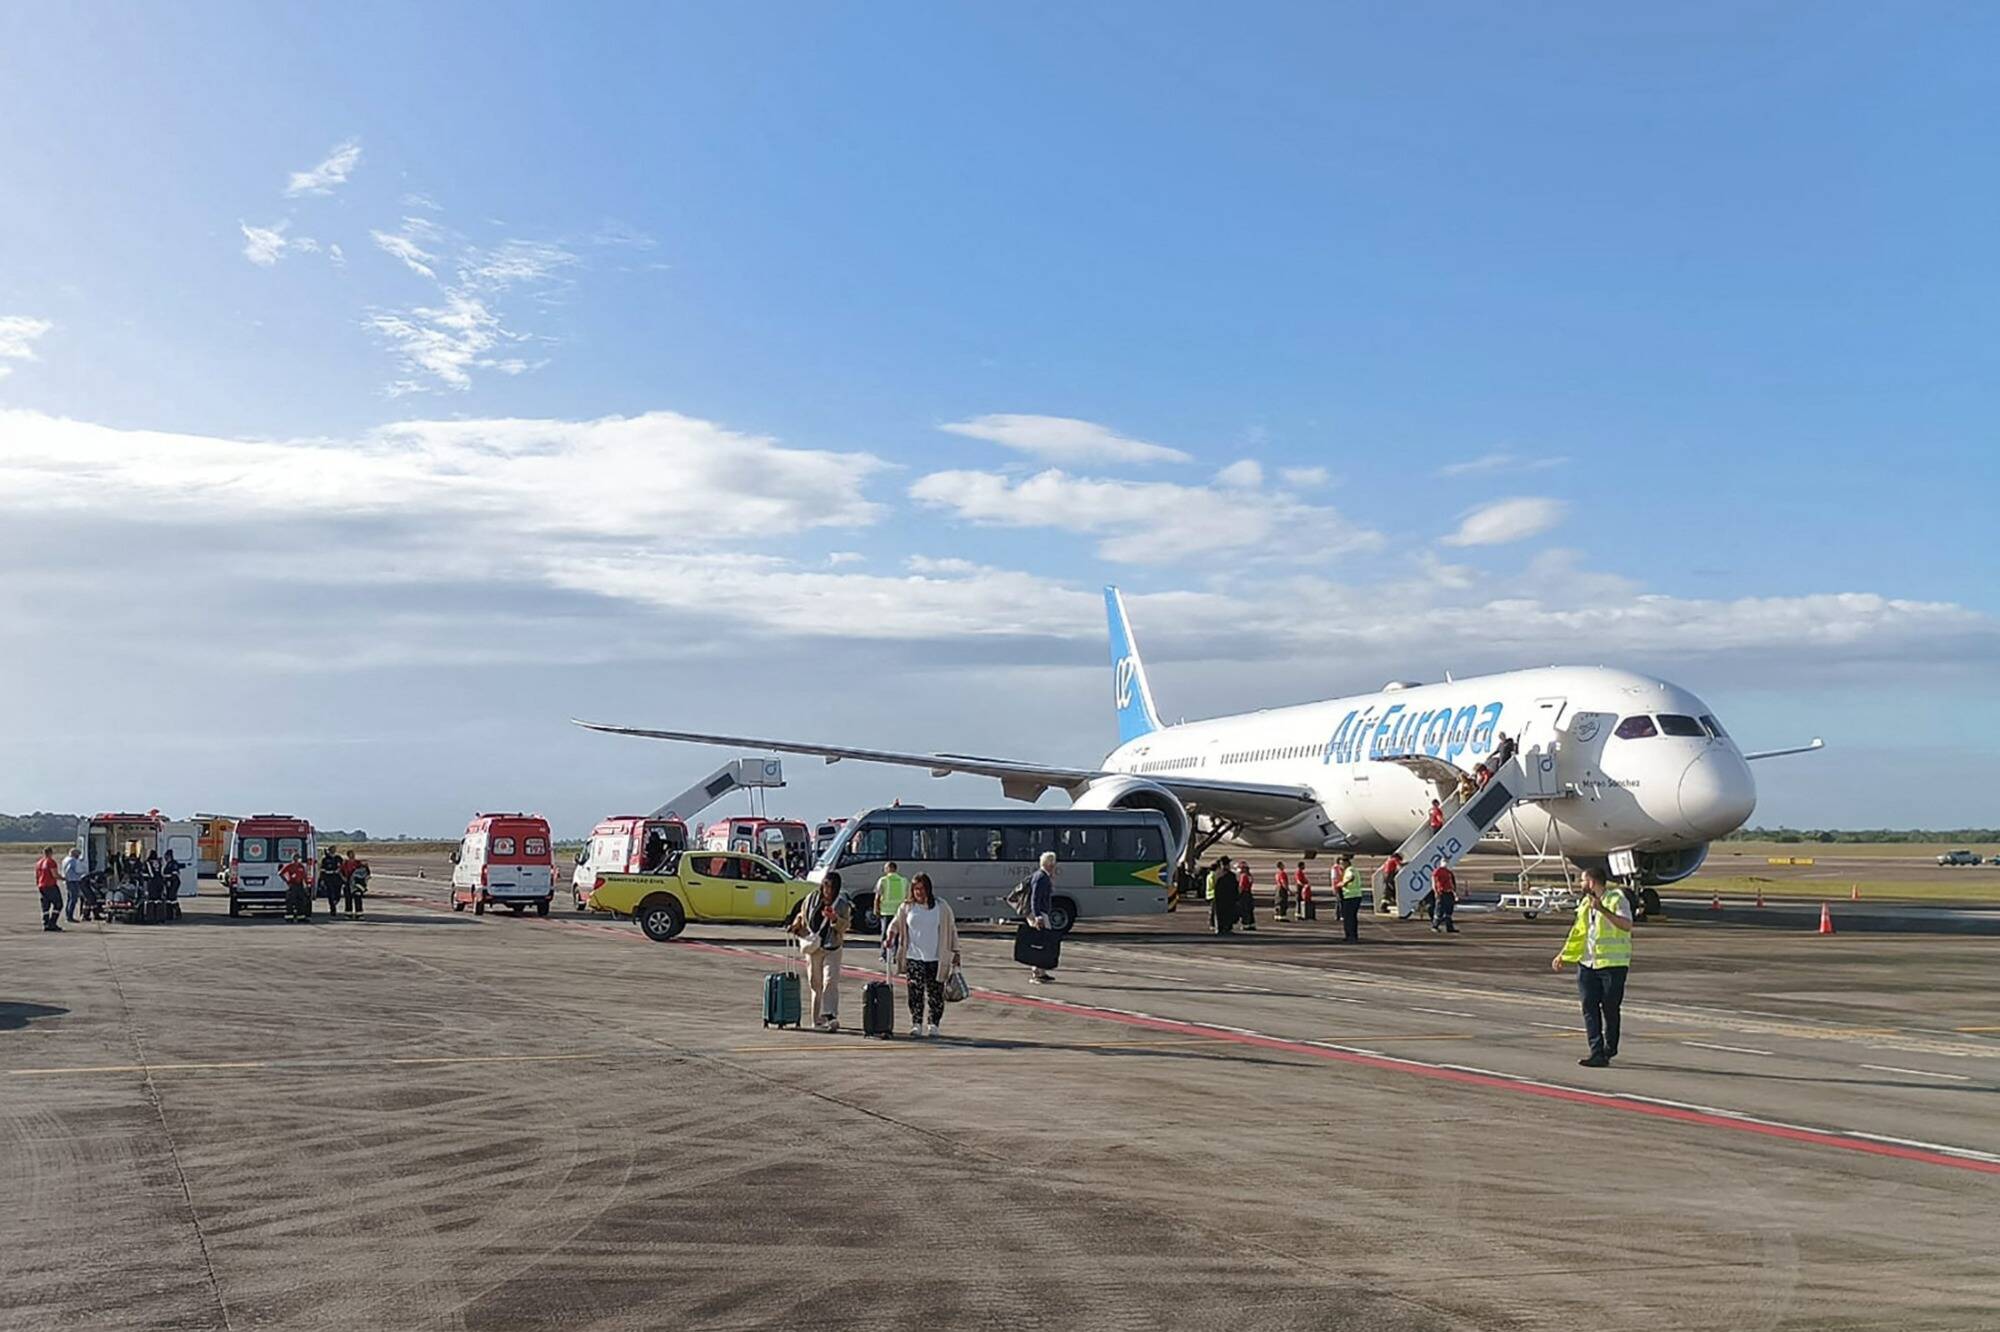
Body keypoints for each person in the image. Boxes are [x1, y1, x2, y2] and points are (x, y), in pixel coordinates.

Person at [1551, 868, 1633, 1068]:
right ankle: (1596, 1051)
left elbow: (1627, 925)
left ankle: (1610, 1047)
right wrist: (1564, 954)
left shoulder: (1617, 899)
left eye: (1582, 880)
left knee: (1610, 1008)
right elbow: (1578, 933)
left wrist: (1603, 910)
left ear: (1592, 882)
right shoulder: (1585, 904)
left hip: (1612, 965)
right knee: (1589, 1006)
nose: (1580, 884)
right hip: (1588, 963)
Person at [884, 873, 960, 1038]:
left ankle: (933, 1024)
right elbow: (896, 923)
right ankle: (916, 1023)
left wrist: (956, 951)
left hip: (936, 958)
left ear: (928, 889)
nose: (919, 892)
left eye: (922, 888)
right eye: (916, 889)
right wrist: (890, 936)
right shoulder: (907, 907)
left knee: (935, 994)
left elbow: (952, 930)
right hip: (914, 956)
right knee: (915, 992)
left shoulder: (941, 907)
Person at [791, 870, 853, 1030]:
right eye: (825, 886)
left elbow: (845, 925)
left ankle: (830, 1015)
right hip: (814, 947)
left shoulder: (841, 904)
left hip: (832, 946)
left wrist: (834, 919)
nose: (828, 891)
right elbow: (802, 914)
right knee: (815, 982)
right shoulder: (812, 898)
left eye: (831, 887)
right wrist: (797, 924)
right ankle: (816, 1018)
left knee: (830, 980)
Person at [1025, 851, 1057, 982]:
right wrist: (1038, 916)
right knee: (1042, 942)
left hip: (1040, 912)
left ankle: (1039, 971)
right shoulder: (1041, 877)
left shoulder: (1041, 876)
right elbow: (1035, 898)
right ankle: (1038, 972)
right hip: (1040, 913)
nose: (1054, 865)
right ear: (1049, 863)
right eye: (1053, 863)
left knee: (1040, 942)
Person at [1206, 856, 1238, 935]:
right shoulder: (1227, 875)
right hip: (1224, 898)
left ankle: (1222, 928)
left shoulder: (1217, 874)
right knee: (1224, 913)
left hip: (1221, 898)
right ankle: (1224, 928)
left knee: (1222, 914)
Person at [1334, 853, 1362, 943]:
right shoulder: (1352, 869)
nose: (1341, 865)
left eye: (1342, 863)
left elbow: (1351, 877)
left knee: (1349, 918)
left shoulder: (1350, 870)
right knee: (1351, 917)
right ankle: (1352, 935)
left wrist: (1343, 883)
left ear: (1346, 863)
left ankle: (1351, 936)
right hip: (1354, 896)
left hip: (1351, 897)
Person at [874, 861, 908, 935]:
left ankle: (885, 946)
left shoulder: (883, 880)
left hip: (886, 912)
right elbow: (908, 897)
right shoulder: (904, 881)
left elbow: (877, 897)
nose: (884, 870)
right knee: (898, 935)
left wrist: (876, 909)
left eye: (885, 868)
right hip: (900, 912)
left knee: (886, 934)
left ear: (888, 869)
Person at [35, 847, 63, 932]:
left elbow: (37, 876)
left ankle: (45, 923)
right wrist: (63, 878)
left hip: (41, 886)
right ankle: (52, 923)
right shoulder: (51, 862)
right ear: (51, 853)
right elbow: (54, 874)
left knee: (45, 905)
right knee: (58, 904)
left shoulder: (39, 863)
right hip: (50, 885)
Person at [280, 852, 312, 922]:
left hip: (300, 885)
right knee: (290, 901)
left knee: (301, 901)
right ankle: (289, 917)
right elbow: (281, 873)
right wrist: (287, 881)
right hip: (292, 885)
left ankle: (301, 917)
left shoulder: (301, 866)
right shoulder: (289, 866)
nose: (297, 859)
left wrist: (306, 885)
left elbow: (304, 876)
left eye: (298, 858)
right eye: (295, 858)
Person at [60, 846, 87, 924]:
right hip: (73, 880)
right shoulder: (73, 861)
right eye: (78, 854)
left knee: (69, 898)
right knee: (73, 898)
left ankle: (68, 915)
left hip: (68, 881)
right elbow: (76, 870)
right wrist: (83, 872)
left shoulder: (65, 859)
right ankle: (70, 916)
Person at [318, 847, 346, 919]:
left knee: (338, 894)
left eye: (334, 849)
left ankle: (335, 902)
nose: (333, 851)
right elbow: (322, 870)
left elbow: (343, 867)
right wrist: (322, 879)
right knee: (330, 894)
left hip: (337, 878)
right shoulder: (325, 859)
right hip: (328, 878)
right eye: (332, 850)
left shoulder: (338, 858)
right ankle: (332, 909)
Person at [1431, 862, 1459, 934]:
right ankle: (1435, 926)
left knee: (1449, 910)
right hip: (1442, 892)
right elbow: (1434, 882)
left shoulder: (1449, 872)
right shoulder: (1437, 871)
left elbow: (1452, 884)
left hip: (1449, 893)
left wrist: (1454, 893)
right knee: (1439, 910)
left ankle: (1449, 927)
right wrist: (1436, 892)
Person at [1374, 851, 1403, 917]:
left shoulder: (1388, 860)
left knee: (1388, 892)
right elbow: (1399, 866)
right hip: (1390, 876)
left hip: (1386, 876)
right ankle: (1384, 907)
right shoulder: (1394, 860)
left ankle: (1384, 906)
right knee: (1391, 892)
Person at [342, 851, 370, 916]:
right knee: (348, 899)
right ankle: (348, 913)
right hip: (348, 882)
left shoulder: (358, 863)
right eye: (351, 855)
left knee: (358, 898)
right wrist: (344, 878)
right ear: (348, 855)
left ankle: (359, 913)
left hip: (357, 884)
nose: (352, 856)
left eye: (353, 854)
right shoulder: (345, 863)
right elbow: (341, 871)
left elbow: (366, 872)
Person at [1235, 860, 1257, 931]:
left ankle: (1245, 924)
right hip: (1248, 893)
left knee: (1244, 909)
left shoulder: (1243, 876)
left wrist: (1237, 895)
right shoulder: (1249, 875)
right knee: (1249, 909)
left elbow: (1241, 887)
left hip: (1244, 894)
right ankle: (1251, 923)